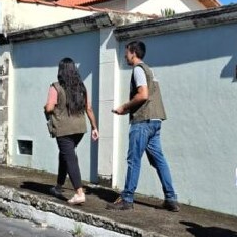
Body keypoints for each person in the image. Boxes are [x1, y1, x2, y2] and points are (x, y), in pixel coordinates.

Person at [112, 40, 179, 212]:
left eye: (126, 53)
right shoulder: (149, 70)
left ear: (133, 53)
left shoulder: (138, 70)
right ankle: (171, 198)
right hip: (155, 120)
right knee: (159, 160)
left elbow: (143, 95)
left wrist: (124, 107)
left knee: (133, 159)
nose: (125, 56)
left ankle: (127, 198)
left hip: (143, 122)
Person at [44, 58, 99, 205]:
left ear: (60, 71)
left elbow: (49, 108)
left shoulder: (55, 87)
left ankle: (79, 193)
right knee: (65, 154)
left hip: (63, 129)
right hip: (79, 129)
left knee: (70, 158)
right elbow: (89, 108)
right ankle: (58, 186)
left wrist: (46, 107)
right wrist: (94, 127)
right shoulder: (81, 87)